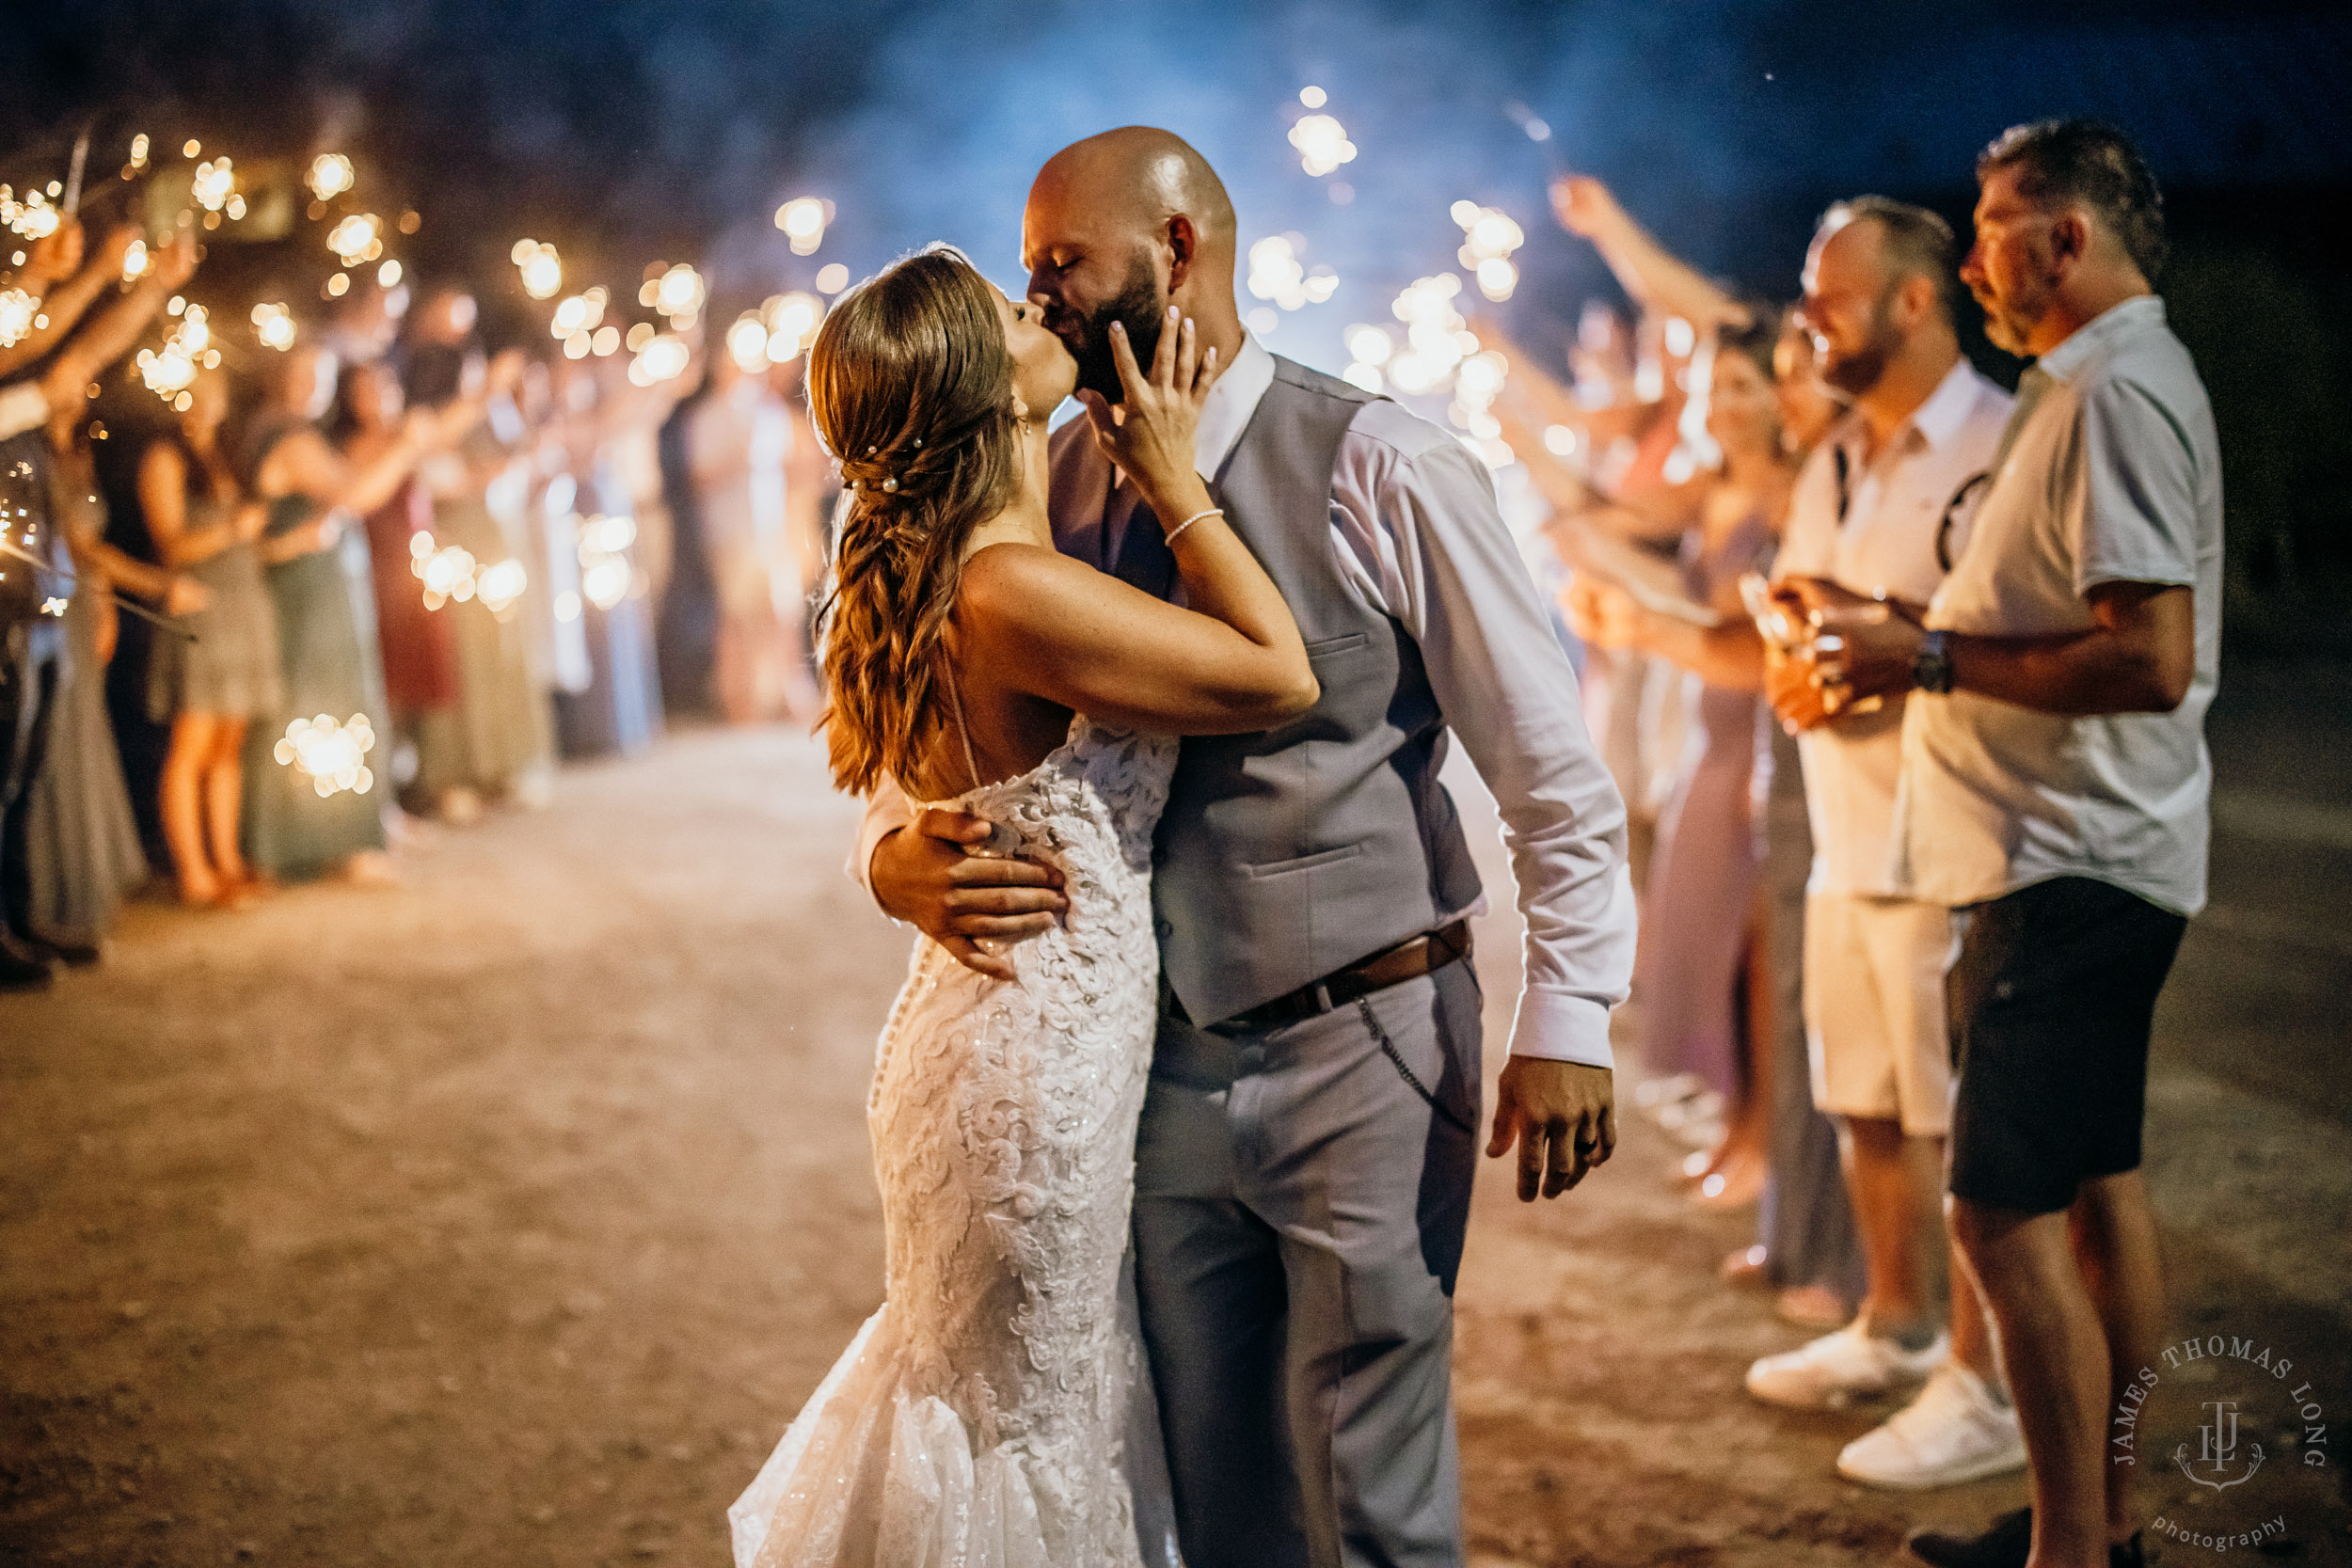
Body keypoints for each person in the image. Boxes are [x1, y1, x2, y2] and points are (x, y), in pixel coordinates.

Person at [848, 129, 1635, 1568]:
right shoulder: (1047, 481)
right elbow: (955, 717)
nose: (1043, 303)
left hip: (1372, 1035)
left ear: (1178, 249)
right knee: (1214, 1485)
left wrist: (1570, 1011)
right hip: (1150, 1072)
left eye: (1061, 266)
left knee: (1377, 1491)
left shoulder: (1382, 456)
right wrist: (897, 856)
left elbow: (1551, 767)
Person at [728, 247, 1315, 1567]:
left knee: (1014, 1408)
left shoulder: (940, 565)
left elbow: (889, 787)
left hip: (986, 1029)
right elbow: (1277, 674)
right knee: (1025, 1431)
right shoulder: (1011, 588)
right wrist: (1174, 479)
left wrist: (885, 858)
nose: (1039, 305)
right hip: (1026, 1071)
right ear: (989, 394)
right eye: (1010, 310)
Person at [1806, 120, 2218, 1568]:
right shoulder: (2083, 387)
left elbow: (2150, 654)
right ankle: (2100, 1516)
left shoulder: (2117, 393)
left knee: (1996, 1212)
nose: (1973, 248)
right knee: (2095, 1191)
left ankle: (2071, 1546)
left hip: (2073, 857)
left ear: (2064, 238)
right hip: (2046, 853)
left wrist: (1922, 652)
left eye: (1990, 224)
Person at [1741, 199, 2024, 1493]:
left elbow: (2009, 626)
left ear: (1917, 301)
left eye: (1830, 297)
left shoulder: (2000, 439)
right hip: (1842, 828)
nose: (1810, 321)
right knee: (1862, 1091)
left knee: (1954, 1114)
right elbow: (1807, 601)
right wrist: (1800, 654)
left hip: (1955, 825)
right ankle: (1894, 1321)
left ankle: (1986, 1373)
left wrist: (1874, 643)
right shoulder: (1840, 455)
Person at [1565, 310, 1792, 1210]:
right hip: (1704, 732)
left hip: (1757, 735)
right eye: (1716, 385)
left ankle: (1765, 1137)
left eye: (1744, 384)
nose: (1725, 403)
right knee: (1711, 952)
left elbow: (1732, 625)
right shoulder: (1706, 490)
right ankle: (1740, 1123)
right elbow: (1612, 524)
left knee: (1757, 956)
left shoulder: (1796, 493)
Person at [240, 341, 438, 885]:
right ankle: (330, 842)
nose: (314, 386)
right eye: (304, 374)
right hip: (307, 596)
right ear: (279, 377)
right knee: (320, 706)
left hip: (328, 590)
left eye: (322, 376)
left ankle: (362, 825)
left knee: (348, 700)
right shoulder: (288, 437)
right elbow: (353, 494)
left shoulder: (304, 436)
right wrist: (406, 447)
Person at [140, 368, 280, 910]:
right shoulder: (164, 458)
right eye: (194, 392)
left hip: (245, 608)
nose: (205, 402)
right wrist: (230, 531)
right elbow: (170, 547)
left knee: (229, 745)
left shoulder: (227, 458)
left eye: (214, 392)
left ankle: (228, 862)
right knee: (191, 746)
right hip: (201, 612)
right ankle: (192, 872)